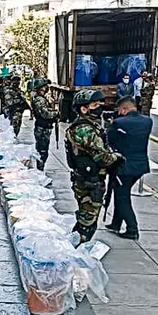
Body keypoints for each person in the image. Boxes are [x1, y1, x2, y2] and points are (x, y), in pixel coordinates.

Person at [64, 89, 122, 243]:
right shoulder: (83, 129)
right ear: (84, 109)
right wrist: (116, 158)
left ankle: (75, 252)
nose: (99, 108)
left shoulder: (90, 126)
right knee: (87, 224)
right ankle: (74, 255)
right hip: (88, 182)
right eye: (95, 105)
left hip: (91, 179)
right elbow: (102, 156)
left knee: (87, 221)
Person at [106, 96, 152, 240]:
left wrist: (112, 124)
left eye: (120, 110)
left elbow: (109, 140)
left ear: (124, 109)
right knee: (121, 192)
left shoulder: (119, 123)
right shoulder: (147, 121)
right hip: (140, 166)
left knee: (122, 197)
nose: (119, 113)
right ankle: (116, 223)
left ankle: (132, 229)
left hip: (123, 167)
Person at [30, 78, 57, 170]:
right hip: (42, 128)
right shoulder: (39, 100)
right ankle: (40, 171)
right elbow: (45, 114)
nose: (47, 88)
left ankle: (40, 169)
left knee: (43, 150)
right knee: (42, 151)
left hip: (44, 127)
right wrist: (56, 113)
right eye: (45, 86)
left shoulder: (42, 98)